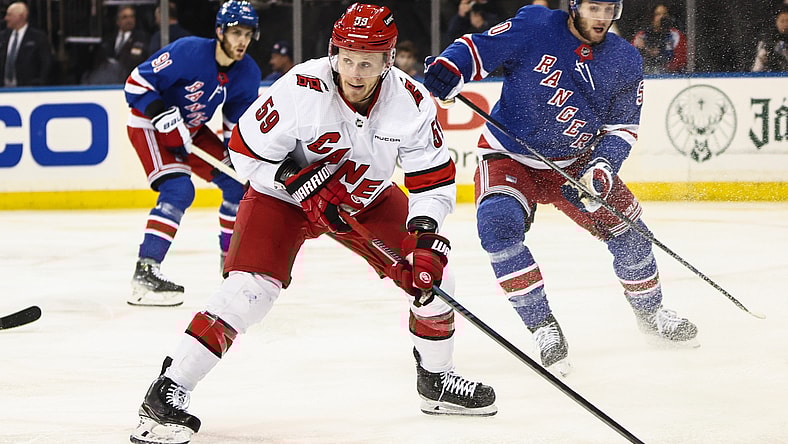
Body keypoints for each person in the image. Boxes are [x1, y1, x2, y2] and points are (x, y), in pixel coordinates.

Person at [129, 3, 497, 442]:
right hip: (283, 199)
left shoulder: (412, 101)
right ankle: (168, 391)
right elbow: (244, 150)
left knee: (435, 273)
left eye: (367, 61)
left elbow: (432, 178)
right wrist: (291, 178)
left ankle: (436, 380)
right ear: (333, 52)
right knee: (250, 290)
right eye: (346, 58)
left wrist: (424, 233)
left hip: (365, 198)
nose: (354, 72)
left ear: (388, 60)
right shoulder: (301, 86)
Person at [422, 0, 698, 376]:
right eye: (593, 7)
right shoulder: (536, 24)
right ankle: (543, 327)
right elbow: (477, 48)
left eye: (609, 9)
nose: (601, 18)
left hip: (578, 164)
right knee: (497, 225)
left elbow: (621, 129)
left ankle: (651, 314)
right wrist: (451, 68)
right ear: (573, 5)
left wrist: (602, 168)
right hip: (510, 155)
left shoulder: (625, 59)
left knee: (631, 234)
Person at [124, 0, 260, 307]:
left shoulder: (248, 73)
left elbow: (235, 131)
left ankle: (231, 268)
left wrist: (247, 164)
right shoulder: (187, 51)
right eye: (236, 32)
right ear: (219, 31)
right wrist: (159, 112)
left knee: (238, 184)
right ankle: (145, 273)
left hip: (191, 129)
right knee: (178, 189)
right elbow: (135, 84)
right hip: (149, 124)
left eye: (248, 34)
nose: (242, 41)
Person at [0, 1, 53, 87]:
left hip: (28, 90)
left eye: (9, 15)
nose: (6, 18)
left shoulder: (38, 37)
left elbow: (46, 65)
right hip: (3, 90)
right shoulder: (2, 37)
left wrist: (38, 87)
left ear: (21, 17)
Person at [630, 3, 687, 74]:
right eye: (658, 14)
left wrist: (661, 56)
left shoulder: (676, 36)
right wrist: (643, 50)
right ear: (652, 17)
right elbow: (631, 60)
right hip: (647, 76)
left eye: (665, 14)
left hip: (671, 77)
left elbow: (682, 60)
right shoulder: (641, 36)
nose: (662, 17)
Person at [104, 5, 149, 78]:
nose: (129, 20)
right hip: (111, 79)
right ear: (117, 21)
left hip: (131, 77)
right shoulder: (110, 38)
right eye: (125, 17)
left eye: (131, 17)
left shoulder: (142, 38)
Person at [752, 5, 788, 72]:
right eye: (782, 21)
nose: (785, 24)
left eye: (787, 21)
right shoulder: (767, 40)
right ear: (776, 22)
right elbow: (756, 68)